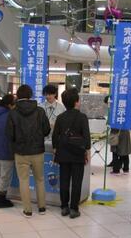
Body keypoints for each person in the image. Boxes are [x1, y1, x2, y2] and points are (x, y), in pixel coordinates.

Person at [6, 85, 51, 218]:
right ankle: (42, 207)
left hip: (20, 152)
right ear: (31, 95)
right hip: (38, 151)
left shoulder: (13, 113)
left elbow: (9, 134)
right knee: (40, 179)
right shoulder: (40, 111)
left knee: (24, 180)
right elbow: (47, 130)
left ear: (17, 96)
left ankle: (28, 210)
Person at [52, 88, 91, 219]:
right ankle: (74, 208)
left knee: (64, 181)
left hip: (63, 153)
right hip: (77, 154)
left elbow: (54, 137)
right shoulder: (82, 117)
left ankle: (64, 207)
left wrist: (55, 149)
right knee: (76, 182)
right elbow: (86, 138)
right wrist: (87, 151)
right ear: (76, 102)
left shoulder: (60, 117)